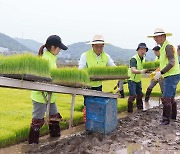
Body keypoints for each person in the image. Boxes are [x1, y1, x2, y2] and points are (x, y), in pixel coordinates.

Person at [29, 35, 68, 144]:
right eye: (59, 47)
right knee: (37, 120)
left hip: (50, 96)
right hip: (41, 96)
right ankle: (32, 144)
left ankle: (55, 139)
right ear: (52, 47)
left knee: (54, 116)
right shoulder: (46, 59)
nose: (60, 50)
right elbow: (41, 78)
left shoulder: (51, 58)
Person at [78, 35, 116, 121]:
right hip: (87, 85)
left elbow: (114, 67)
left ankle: (96, 121)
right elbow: (80, 69)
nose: (99, 48)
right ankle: (87, 122)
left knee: (98, 103)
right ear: (92, 46)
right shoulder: (85, 55)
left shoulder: (106, 56)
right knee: (88, 104)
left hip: (98, 85)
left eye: (101, 46)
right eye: (97, 46)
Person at [148, 27, 180, 125]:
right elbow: (165, 63)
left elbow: (171, 63)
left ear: (163, 36)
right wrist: (158, 71)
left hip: (171, 75)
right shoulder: (163, 47)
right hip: (172, 75)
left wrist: (160, 73)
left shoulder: (167, 46)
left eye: (157, 37)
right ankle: (172, 116)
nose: (155, 39)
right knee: (170, 98)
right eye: (154, 37)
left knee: (166, 98)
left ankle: (166, 120)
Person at [127, 43, 148, 113]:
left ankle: (140, 109)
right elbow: (133, 70)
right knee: (133, 95)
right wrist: (141, 71)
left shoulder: (144, 59)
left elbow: (145, 69)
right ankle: (129, 111)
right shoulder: (134, 59)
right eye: (141, 49)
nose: (143, 51)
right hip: (132, 80)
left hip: (138, 80)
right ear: (138, 50)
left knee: (140, 95)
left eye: (144, 49)